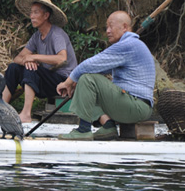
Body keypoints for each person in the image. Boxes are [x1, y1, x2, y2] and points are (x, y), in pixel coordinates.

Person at [56, 10, 155, 140]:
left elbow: (88, 65)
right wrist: (75, 82)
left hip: (136, 105)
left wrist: (68, 82)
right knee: (85, 79)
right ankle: (108, 126)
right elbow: (93, 69)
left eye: (111, 26)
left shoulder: (128, 44)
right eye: (106, 27)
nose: (107, 31)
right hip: (133, 104)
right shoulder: (129, 44)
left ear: (124, 27)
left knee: (87, 79)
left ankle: (83, 130)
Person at [0, 0, 77, 123]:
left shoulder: (56, 34)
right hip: (47, 81)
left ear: (46, 15)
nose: (31, 16)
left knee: (31, 68)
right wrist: (28, 60)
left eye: (36, 12)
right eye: (31, 13)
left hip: (64, 82)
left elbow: (61, 58)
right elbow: (17, 59)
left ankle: (26, 114)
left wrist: (33, 57)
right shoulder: (37, 36)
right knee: (13, 68)